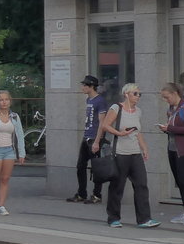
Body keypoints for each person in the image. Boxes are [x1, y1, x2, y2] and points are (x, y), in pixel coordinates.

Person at [94, 83, 160, 228]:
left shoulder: (138, 111)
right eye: (135, 94)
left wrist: (144, 148)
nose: (138, 97)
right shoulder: (116, 108)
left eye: (139, 94)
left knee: (142, 185)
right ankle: (113, 218)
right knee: (117, 186)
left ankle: (144, 219)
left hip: (135, 153)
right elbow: (105, 125)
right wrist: (119, 133)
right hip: (120, 153)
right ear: (126, 94)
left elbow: (138, 132)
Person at [158, 82, 184, 226]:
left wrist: (171, 128)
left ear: (175, 94)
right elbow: (174, 128)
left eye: (167, 97)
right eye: (164, 98)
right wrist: (167, 129)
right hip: (173, 148)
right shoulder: (172, 108)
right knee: (179, 181)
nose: (166, 100)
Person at [68, 75, 107, 204]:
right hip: (86, 136)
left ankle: (97, 195)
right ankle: (81, 193)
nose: (83, 87)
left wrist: (97, 141)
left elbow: (102, 123)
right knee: (80, 166)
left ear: (91, 86)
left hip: (95, 138)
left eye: (85, 85)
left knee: (97, 168)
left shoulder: (100, 101)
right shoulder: (88, 100)